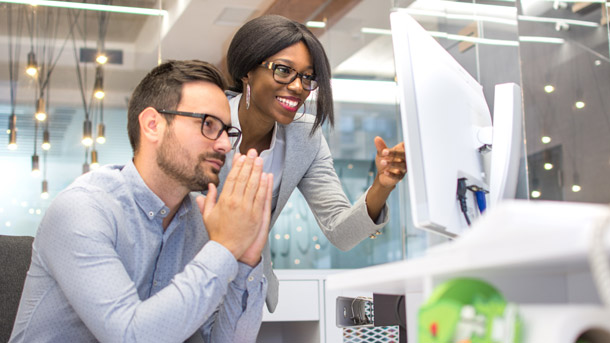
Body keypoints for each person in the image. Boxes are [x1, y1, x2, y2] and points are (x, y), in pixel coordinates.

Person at [10, 60, 273, 343]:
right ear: (152, 125)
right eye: (208, 125)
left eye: (228, 132)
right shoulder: (82, 209)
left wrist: (245, 260)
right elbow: (132, 336)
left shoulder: (198, 225)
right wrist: (223, 247)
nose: (223, 144)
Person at [222, 14, 408, 312]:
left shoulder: (304, 137)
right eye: (283, 70)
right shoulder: (205, 118)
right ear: (247, 71)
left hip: (245, 294)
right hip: (180, 283)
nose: (298, 86)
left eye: (308, 76)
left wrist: (381, 186)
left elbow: (341, 233)